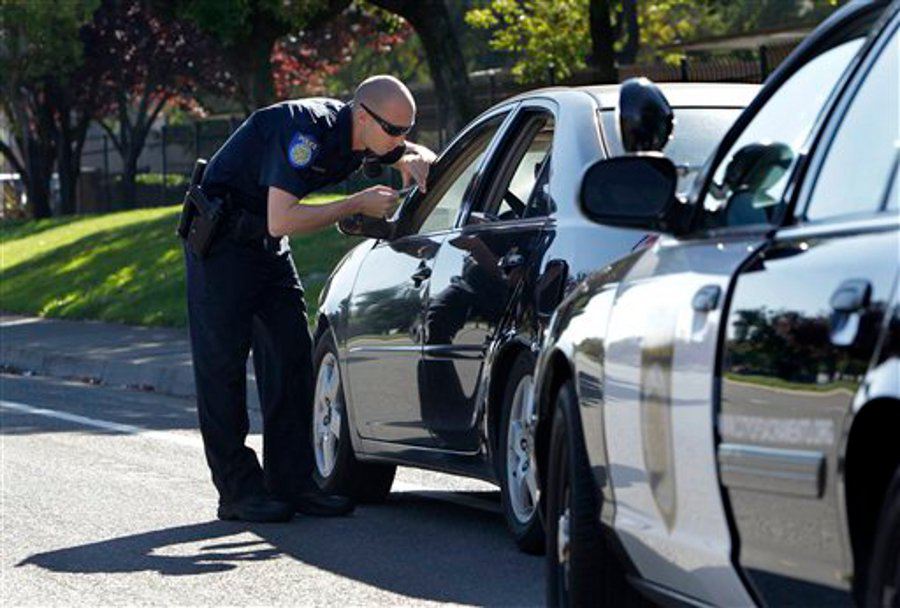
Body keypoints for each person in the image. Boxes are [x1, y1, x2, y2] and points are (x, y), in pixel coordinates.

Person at [182, 75, 436, 522]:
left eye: (406, 130)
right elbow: (281, 219)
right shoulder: (304, 131)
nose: (400, 139)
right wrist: (356, 203)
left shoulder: (366, 132)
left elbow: (418, 153)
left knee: (292, 357)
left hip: (266, 248)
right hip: (222, 244)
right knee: (222, 369)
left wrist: (414, 158)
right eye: (394, 130)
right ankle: (238, 492)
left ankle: (293, 483)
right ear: (362, 115)